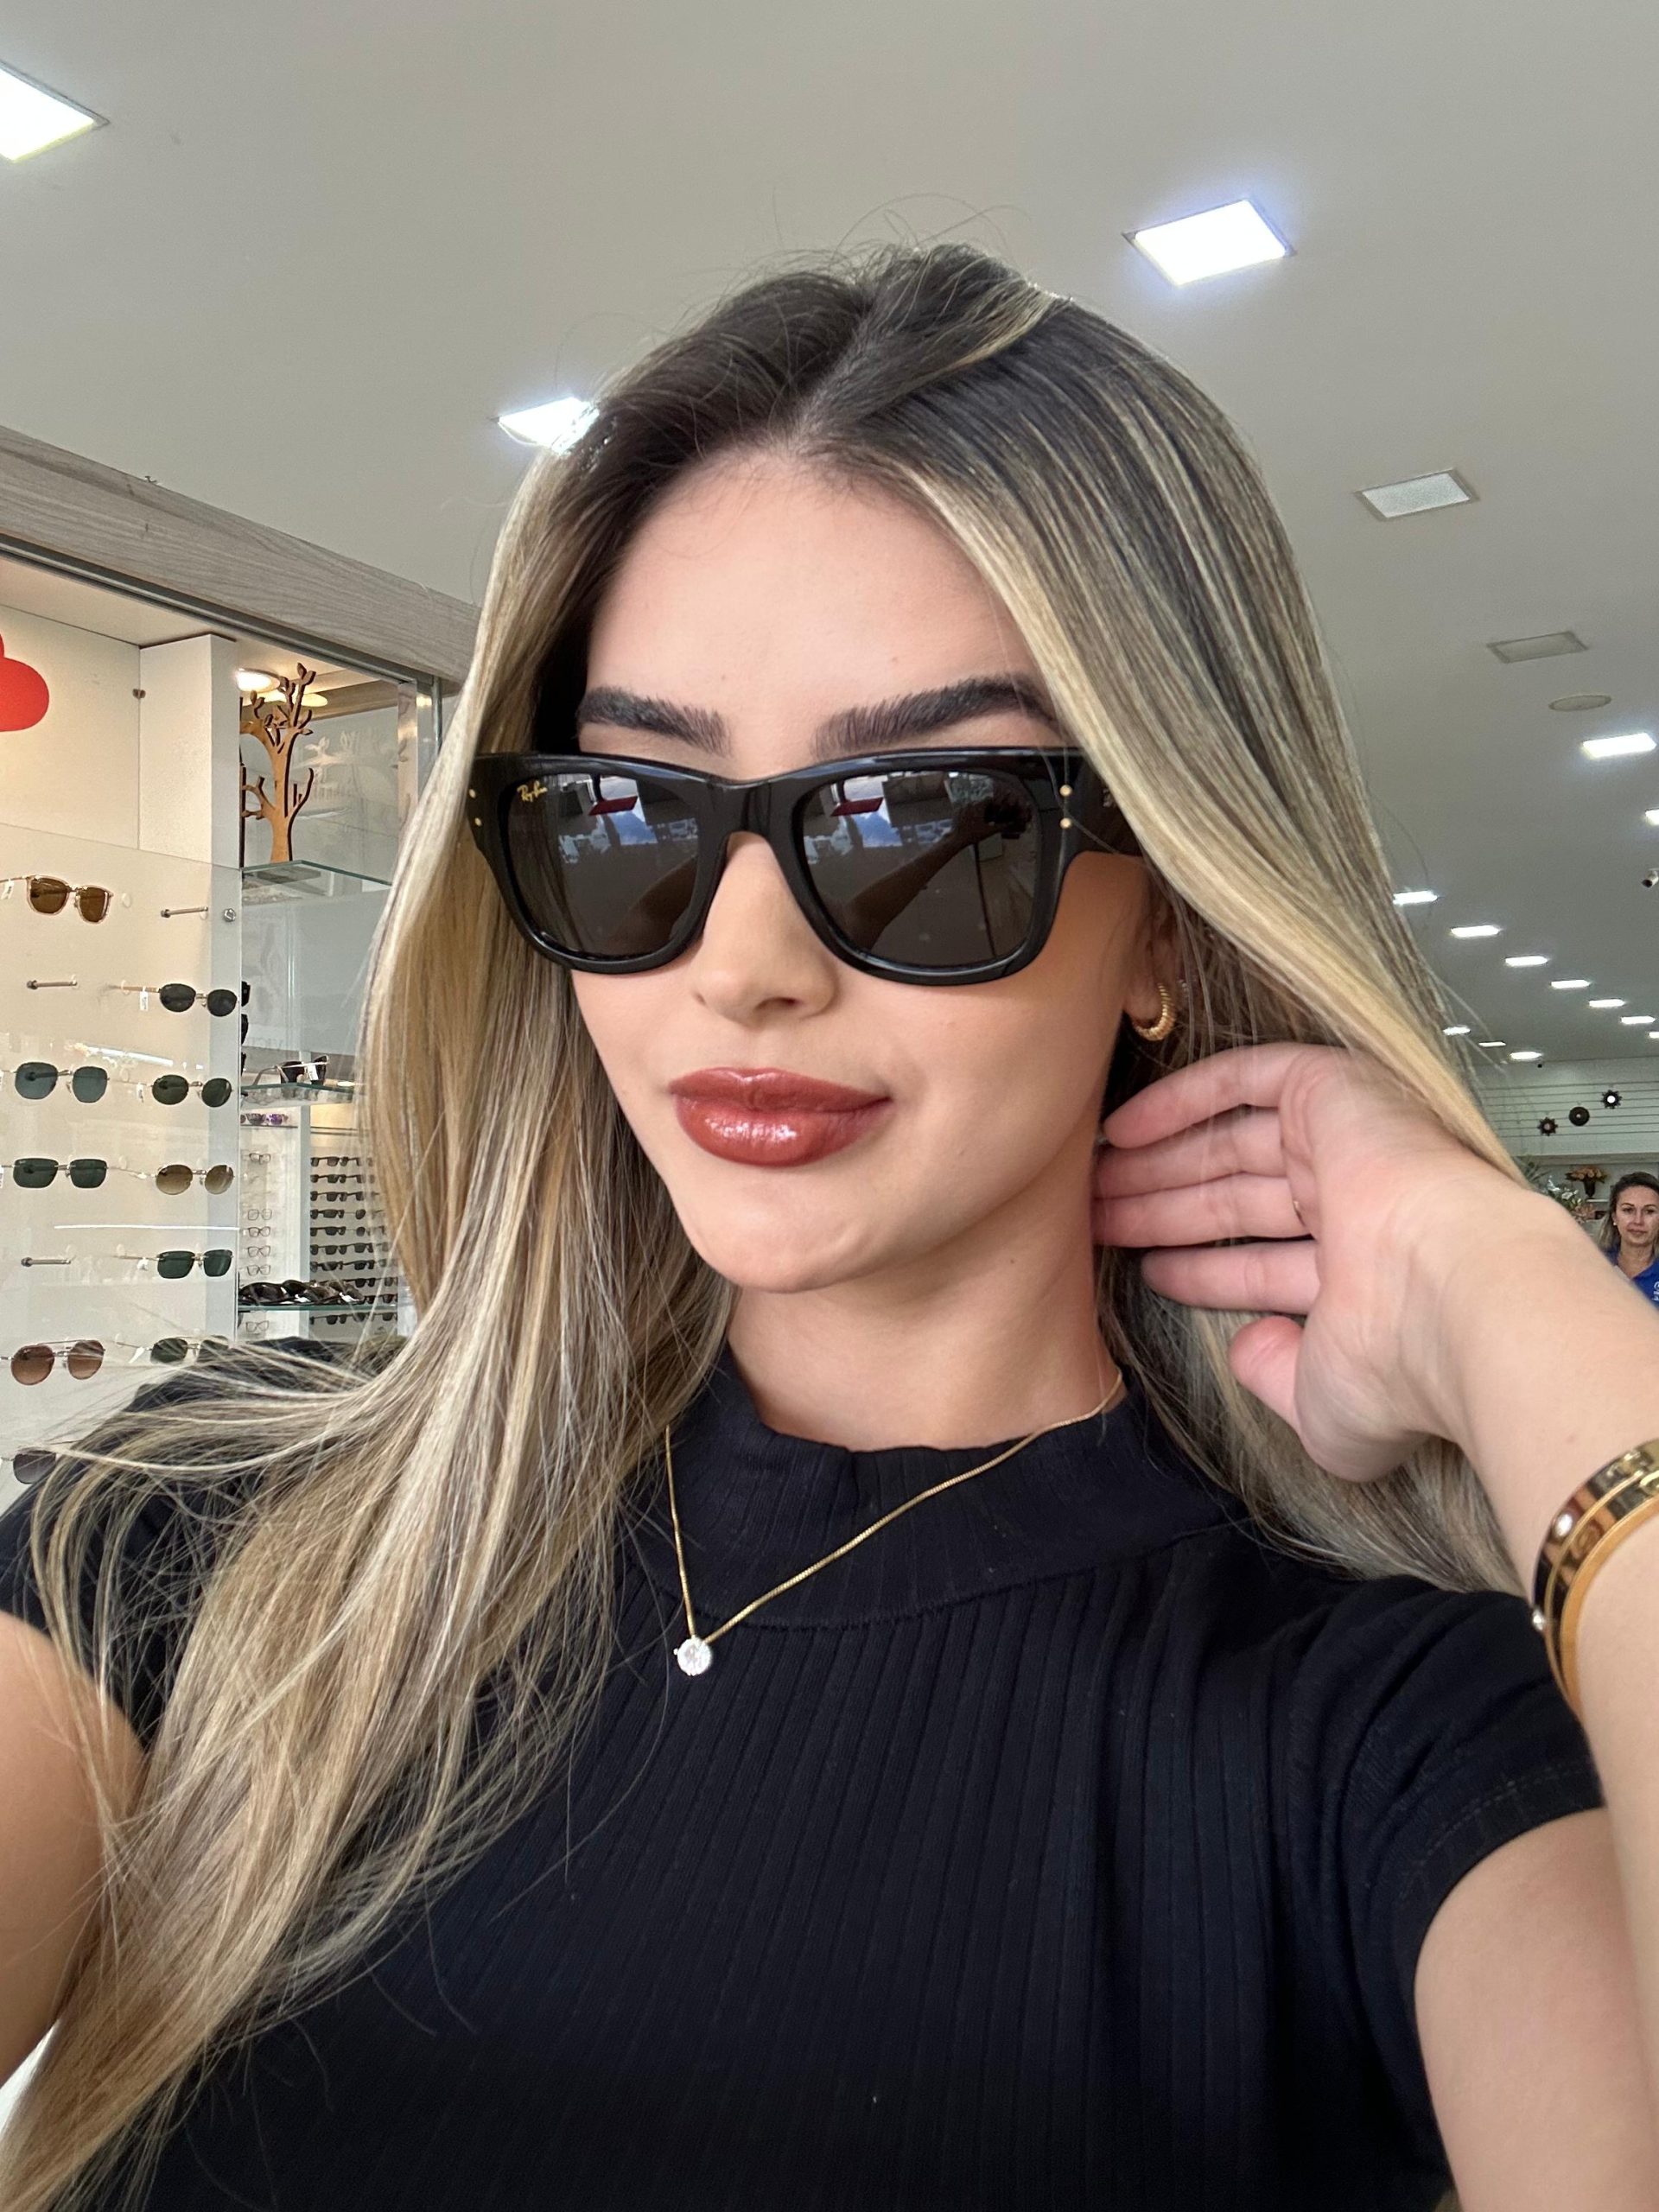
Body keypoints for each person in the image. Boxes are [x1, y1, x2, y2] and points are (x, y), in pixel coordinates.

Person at [2, 246, 1657, 2212]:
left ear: (1170, 912)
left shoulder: (1382, 1728)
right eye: (634, 815)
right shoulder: (215, 1532)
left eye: (923, 821)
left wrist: (1508, 1289)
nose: (743, 964)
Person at [1603, 1169, 1659, 1302]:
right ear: (1614, 1217)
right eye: (1628, 1210)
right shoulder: (1594, 1266)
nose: (1638, 1221)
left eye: (1649, 1211)